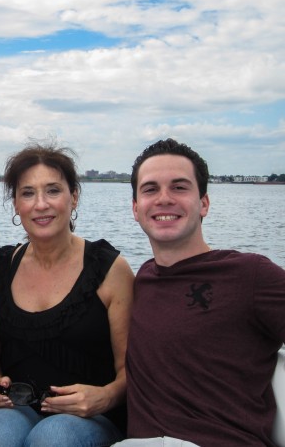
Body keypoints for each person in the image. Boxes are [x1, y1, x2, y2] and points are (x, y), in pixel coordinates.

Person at [114, 139, 285, 447]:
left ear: (204, 203)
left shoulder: (250, 275)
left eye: (179, 187)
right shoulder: (139, 282)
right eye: (150, 189)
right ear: (135, 208)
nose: (164, 199)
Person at [0, 141, 134, 447]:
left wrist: (103, 397)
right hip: (18, 406)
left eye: (53, 190)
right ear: (16, 204)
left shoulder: (109, 269)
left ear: (73, 197)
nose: (41, 204)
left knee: (53, 437)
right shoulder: (1, 268)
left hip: (92, 417)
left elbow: (129, 371)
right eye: (27, 193)